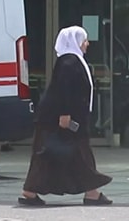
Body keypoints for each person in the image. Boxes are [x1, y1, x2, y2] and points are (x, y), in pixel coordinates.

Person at [18, 26, 113, 207]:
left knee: (74, 155)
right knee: (55, 154)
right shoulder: (69, 62)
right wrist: (65, 114)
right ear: (75, 41)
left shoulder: (72, 61)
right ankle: (90, 193)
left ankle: (91, 192)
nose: (87, 44)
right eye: (84, 40)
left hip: (67, 119)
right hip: (60, 120)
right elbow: (64, 89)